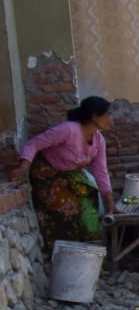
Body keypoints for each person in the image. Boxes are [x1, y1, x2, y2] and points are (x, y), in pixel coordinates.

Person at [9, 95, 117, 248]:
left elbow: (101, 171)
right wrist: (24, 167)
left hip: (70, 173)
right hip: (47, 173)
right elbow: (33, 144)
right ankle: (63, 248)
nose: (110, 119)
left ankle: (92, 247)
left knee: (90, 199)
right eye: (107, 115)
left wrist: (110, 205)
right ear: (94, 116)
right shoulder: (67, 130)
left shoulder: (99, 140)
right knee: (70, 207)